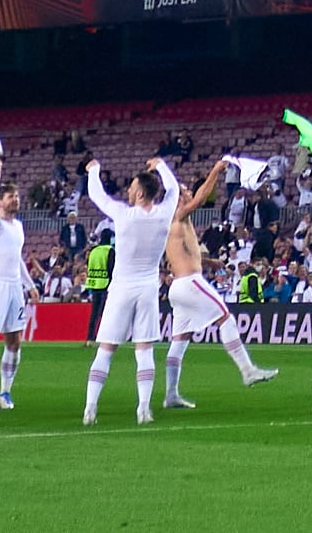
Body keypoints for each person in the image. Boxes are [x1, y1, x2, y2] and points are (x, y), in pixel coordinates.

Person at [159, 160, 279, 406]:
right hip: (190, 282)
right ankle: (247, 370)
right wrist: (215, 171)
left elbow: (183, 251)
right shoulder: (177, 214)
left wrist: (207, 260)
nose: (189, 193)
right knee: (225, 316)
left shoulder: (175, 221)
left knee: (180, 339)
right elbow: (202, 199)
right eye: (184, 192)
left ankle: (171, 394)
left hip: (179, 286)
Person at [82, 157, 184, 426]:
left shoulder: (124, 215)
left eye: (131, 187)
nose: (128, 190)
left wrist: (94, 171)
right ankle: (143, 409)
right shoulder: (164, 214)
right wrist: (161, 165)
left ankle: (90, 408)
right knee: (144, 350)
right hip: (148, 289)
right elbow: (172, 189)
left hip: (121, 289)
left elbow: (97, 196)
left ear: (140, 193)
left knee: (106, 349)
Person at [0, 165, 36, 412]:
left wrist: (30, 284)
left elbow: (18, 257)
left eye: (18, 196)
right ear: (1, 202)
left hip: (14, 287)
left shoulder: (18, 226)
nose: (17, 199)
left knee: (14, 340)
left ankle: (5, 392)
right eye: (11, 196)